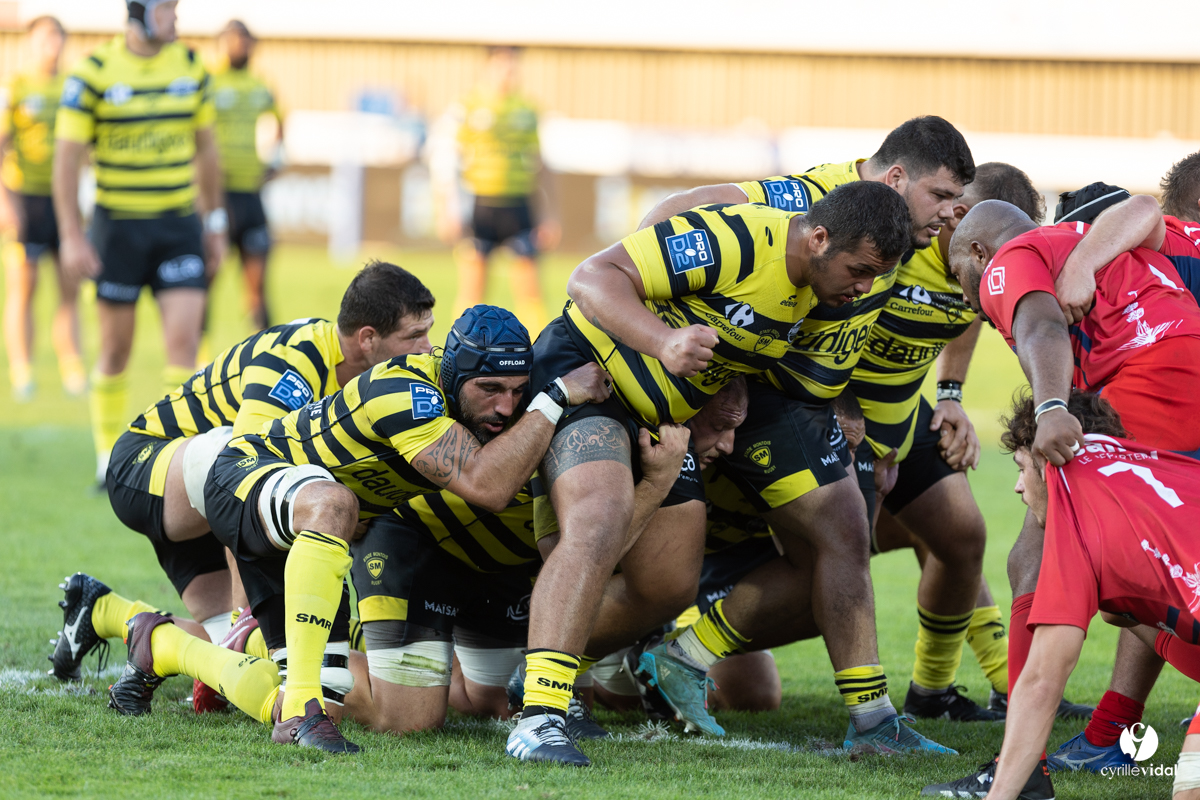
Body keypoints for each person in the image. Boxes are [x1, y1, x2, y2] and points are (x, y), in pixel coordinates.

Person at [506, 181, 913, 767]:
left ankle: (536, 669)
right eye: (859, 269)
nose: (864, 287)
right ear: (818, 237)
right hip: (590, 376)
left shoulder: (813, 293)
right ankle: (541, 716)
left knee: (668, 585)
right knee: (598, 519)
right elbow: (592, 277)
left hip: (668, 420)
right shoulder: (740, 239)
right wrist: (663, 340)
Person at [103, 306, 611, 756]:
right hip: (245, 472)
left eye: (518, 392)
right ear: (453, 376)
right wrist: (556, 398)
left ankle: (163, 643)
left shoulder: (483, 409)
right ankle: (300, 711)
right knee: (333, 503)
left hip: (311, 524)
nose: (506, 406)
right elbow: (487, 484)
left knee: (394, 715)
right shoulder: (404, 389)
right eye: (490, 390)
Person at [628, 117, 974, 750]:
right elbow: (670, 219)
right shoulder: (804, 200)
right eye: (942, 196)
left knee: (834, 558)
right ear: (895, 178)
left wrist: (877, 402)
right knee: (842, 533)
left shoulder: (907, 235)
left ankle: (678, 654)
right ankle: (873, 724)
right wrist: (692, 355)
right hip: (768, 397)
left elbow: (948, 301)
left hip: (816, 407)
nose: (952, 214)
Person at [47, 262, 435, 683]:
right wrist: (244, 610)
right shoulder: (294, 360)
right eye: (414, 336)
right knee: (249, 625)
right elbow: (241, 479)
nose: (427, 348)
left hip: (207, 493)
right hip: (149, 465)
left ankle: (103, 610)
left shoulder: (364, 377)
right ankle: (242, 617)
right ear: (367, 339)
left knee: (235, 652)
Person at [937, 193, 1200, 790]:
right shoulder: (1112, 240)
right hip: (1185, 387)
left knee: (1041, 549)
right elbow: (1144, 206)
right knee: (1140, 577)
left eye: (960, 274)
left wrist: (1052, 405)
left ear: (980, 251)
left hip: (1151, 385)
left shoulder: (1015, 257)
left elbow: (1040, 324)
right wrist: (1082, 262)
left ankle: (1019, 767)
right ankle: (1110, 730)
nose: (963, 295)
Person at [923, 390, 1200, 799]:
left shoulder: (1076, 515)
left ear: (1049, 460)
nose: (1019, 487)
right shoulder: (1125, 458)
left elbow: (1040, 682)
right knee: (1119, 612)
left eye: (1022, 469)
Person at [54, 0, 227, 488]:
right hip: (117, 231)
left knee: (183, 345)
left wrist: (213, 222)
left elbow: (207, 148)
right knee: (116, 350)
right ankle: (108, 457)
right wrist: (71, 234)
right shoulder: (92, 73)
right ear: (140, 13)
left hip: (178, 228)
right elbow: (66, 159)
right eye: (168, 8)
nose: (177, 17)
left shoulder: (192, 67)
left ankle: (176, 463)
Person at [1, 16, 83, 402]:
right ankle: (22, 372)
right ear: (31, 43)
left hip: (63, 201)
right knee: (23, 288)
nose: (51, 43)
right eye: (43, 37)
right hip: (25, 199)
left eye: (57, 36)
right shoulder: (16, 86)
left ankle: (73, 369)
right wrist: (5, 202)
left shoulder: (74, 87)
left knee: (70, 289)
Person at [449, 46, 557, 332]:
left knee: (529, 287)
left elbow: (540, 163)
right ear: (488, 68)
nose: (509, 73)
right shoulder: (468, 106)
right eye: (503, 66)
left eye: (513, 67)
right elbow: (450, 160)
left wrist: (550, 215)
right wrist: (448, 208)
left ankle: (539, 348)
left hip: (518, 204)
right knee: (473, 286)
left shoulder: (527, 109)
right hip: (480, 203)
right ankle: (458, 348)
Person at [210, 19, 282, 330]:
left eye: (244, 40)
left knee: (258, 286)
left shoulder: (261, 87)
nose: (239, 47)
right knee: (205, 279)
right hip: (217, 196)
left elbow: (280, 123)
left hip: (251, 197)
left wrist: (276, 160)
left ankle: (269, 351)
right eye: (232, 40)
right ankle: (197, 357)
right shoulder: (210, 83)